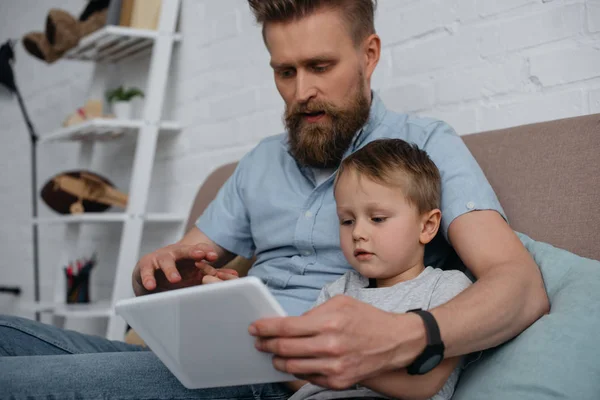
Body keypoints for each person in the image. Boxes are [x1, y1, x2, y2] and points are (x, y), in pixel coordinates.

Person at [0, 0, 549, 398]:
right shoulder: (260, 161)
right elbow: (179, 267)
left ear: (369, 54)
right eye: (285, 72)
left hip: (275, 378)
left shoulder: (424, 148)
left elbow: (519, 288)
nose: (301, 90)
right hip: (207, 356)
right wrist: (162, 276)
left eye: (320, 67)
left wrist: (407, 336)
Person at [204, 138, 473, 400]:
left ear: (427, 226)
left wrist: (344, 364)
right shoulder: (339, 291)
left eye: (377, 218)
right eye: (346, 221)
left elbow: (424, 385)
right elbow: (306, 379)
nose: (358, 232)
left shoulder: (448, 288)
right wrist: (246, 319)